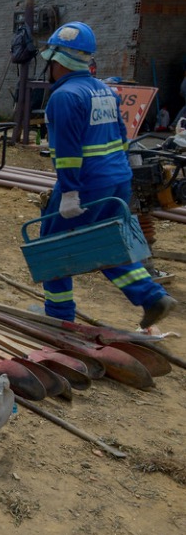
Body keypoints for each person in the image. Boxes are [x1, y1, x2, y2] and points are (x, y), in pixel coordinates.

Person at [39, 22, 176, 331]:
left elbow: (69, 152)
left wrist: (71, 193)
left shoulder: (64, 98)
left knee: (51, 247)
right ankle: (151, 295)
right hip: (117, 178)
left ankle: (58, 320)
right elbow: (121, 138)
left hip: (85, 183)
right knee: (105, 242)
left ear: (57, 61)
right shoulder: (104, 90)